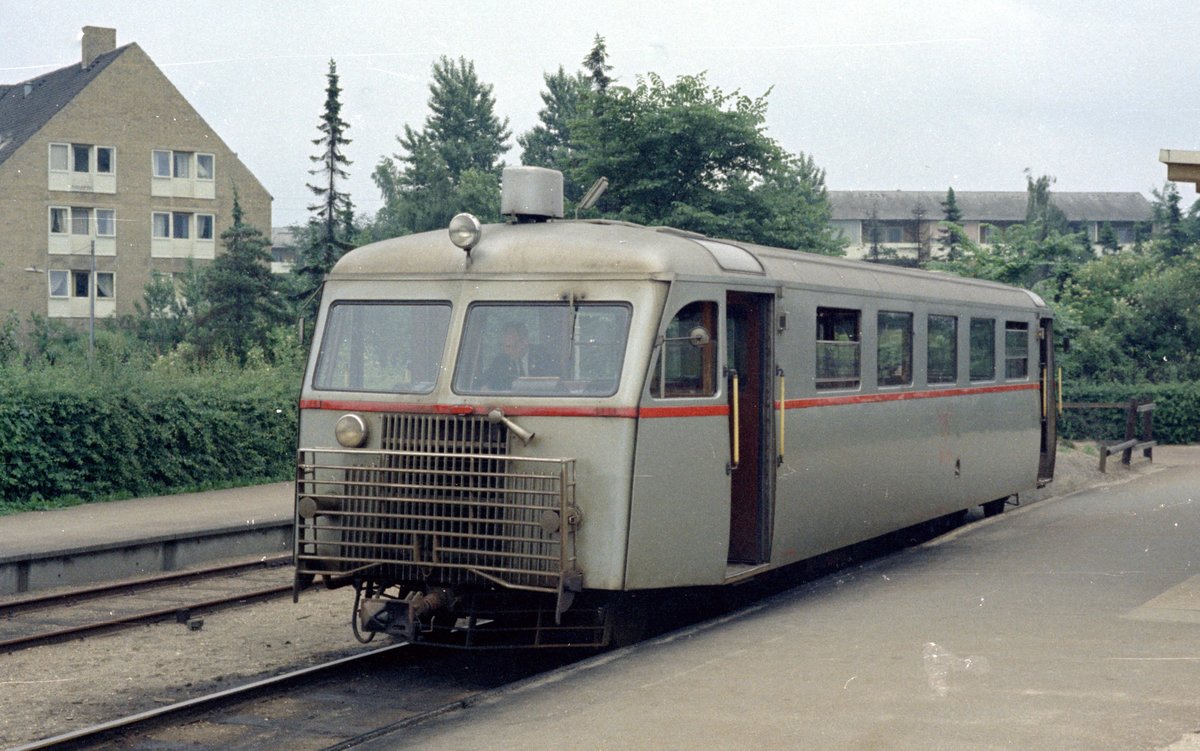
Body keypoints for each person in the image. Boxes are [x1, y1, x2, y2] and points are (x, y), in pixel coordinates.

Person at [482, 323, 539, 389]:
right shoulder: (501, 361)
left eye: (509, 346)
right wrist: (486, 386)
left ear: (524, 342)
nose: (506, 351)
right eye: (503, 346)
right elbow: (485, 381)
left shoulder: (542, 357)